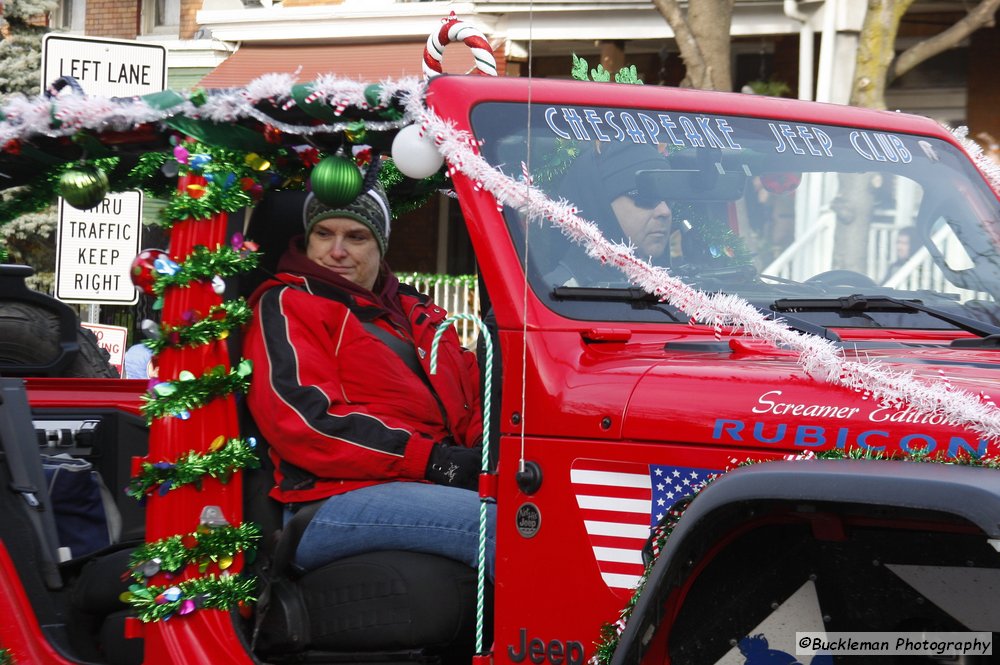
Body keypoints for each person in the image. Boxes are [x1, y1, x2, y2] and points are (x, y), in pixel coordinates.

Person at [242, 168, 494, 579]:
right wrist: (432, 460)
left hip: (423, 484)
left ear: (380, 245)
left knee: (544, 513)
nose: (336, 251)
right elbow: (305, 421)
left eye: (355, 237)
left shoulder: (417, 315)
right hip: (328, 498)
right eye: (324, 234)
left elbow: (474, 400)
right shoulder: (289, 305)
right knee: (510, 531)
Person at [545, 141, 674, 287]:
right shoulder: (555, 295)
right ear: (600, 204)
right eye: (646, 198)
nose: (665, 211)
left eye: (669, 199)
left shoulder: (687, 291)